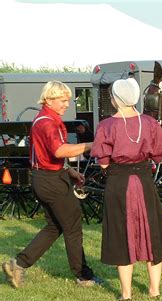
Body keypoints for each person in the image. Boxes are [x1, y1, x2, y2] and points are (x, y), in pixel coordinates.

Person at [2, 81, 103, 288]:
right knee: (73, 226)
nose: (67, 104)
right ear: (49, 99)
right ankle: (83, 276)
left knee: (54, 226)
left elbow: (47, 155)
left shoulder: (42, 119)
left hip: (43, 178)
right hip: (51, 181)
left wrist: (68, 170)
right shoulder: (48, 122)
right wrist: (92, 145)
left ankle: (18, 265)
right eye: (62, 100)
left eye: (68, 99)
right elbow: (58, 151)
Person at [91, 78, 162, 301]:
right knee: (152, 232)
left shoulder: (106, 125)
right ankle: (154, 290)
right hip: (144, 181)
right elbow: (158, 154)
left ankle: (126, 294)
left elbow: (104, 162)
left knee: (120, 232)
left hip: (118, 183)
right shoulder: (150, 123)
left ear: (116, 99)